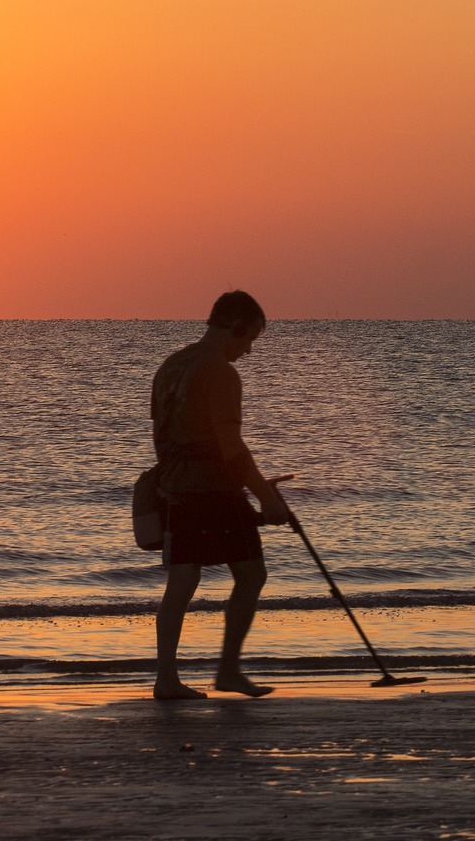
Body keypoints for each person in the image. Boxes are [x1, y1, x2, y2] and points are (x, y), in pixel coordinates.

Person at [148, 290, 294, 700]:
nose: (248, 351)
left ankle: (166, 678)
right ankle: (228, 671)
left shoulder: (171, 365)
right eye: (249, 341)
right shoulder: (221, 372)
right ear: (237, 328)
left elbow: (162, 434)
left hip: (176, 487)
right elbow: (232, 448)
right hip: (214, 489)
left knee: (182, 581)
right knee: (251, 574)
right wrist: (266, 497)